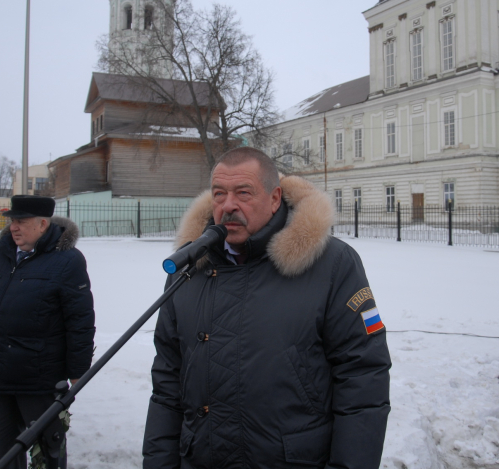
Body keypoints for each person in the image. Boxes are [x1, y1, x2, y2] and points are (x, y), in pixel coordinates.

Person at [143, 147, 391, 469]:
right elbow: (167, 382)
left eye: (243, 193)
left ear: (275, 198)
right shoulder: (190, 267)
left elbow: (363, 379)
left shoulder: (333, 264)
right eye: (219, 194)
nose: (228, 205)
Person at [0, 195, 95, 469]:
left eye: (21, 222)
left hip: (38, 378)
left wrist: (78, 370)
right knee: (5, 455)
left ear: (42, 224)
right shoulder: (0, 254)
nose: (13, 227)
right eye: (12, 220)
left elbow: (80, 319)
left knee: (48, 452)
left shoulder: (67, 261)